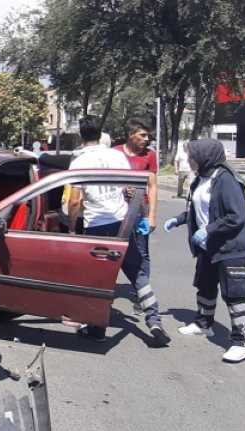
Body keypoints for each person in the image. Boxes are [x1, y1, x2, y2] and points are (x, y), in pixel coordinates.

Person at [67, 116, 170, 346]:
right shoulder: (116, 156)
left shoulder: (79, 161)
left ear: (81, 136)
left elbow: (74, 202)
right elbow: (131, 188)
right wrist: (142, 215)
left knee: (100, 280)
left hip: (97, 226)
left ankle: (97, 328)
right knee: (137, 273)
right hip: (123, 223)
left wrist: (73, 227)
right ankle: (154, 319)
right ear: (101, 132)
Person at [164, 138, 245, 363]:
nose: (189, 161)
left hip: (229, 248)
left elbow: (236, 216)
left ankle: (241, 343)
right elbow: (198, 209)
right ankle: (204, 324)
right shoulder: (200, 179)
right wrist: (179, 219)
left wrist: (209, 230)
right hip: (208, 247)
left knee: (234, 293)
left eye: (192, 157)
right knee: (205, 284)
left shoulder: (226, 180)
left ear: (205, 157)